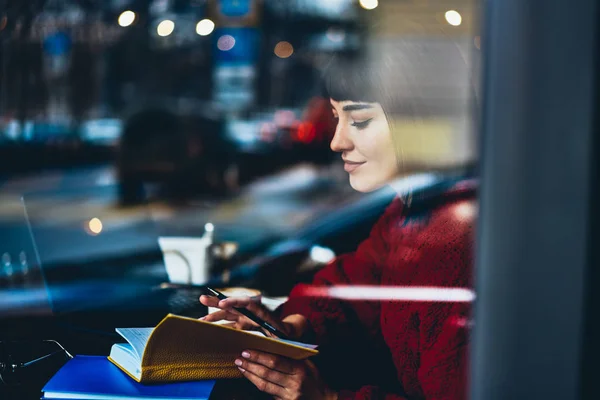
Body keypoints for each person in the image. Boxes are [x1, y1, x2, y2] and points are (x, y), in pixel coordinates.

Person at [200, 54, 476, 400]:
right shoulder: (409, 213)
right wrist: (286, 327)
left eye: (359, 121)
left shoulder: (455, 241)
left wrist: (327, 398)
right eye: (337, 119)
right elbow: (354, 288)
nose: (337, 142)